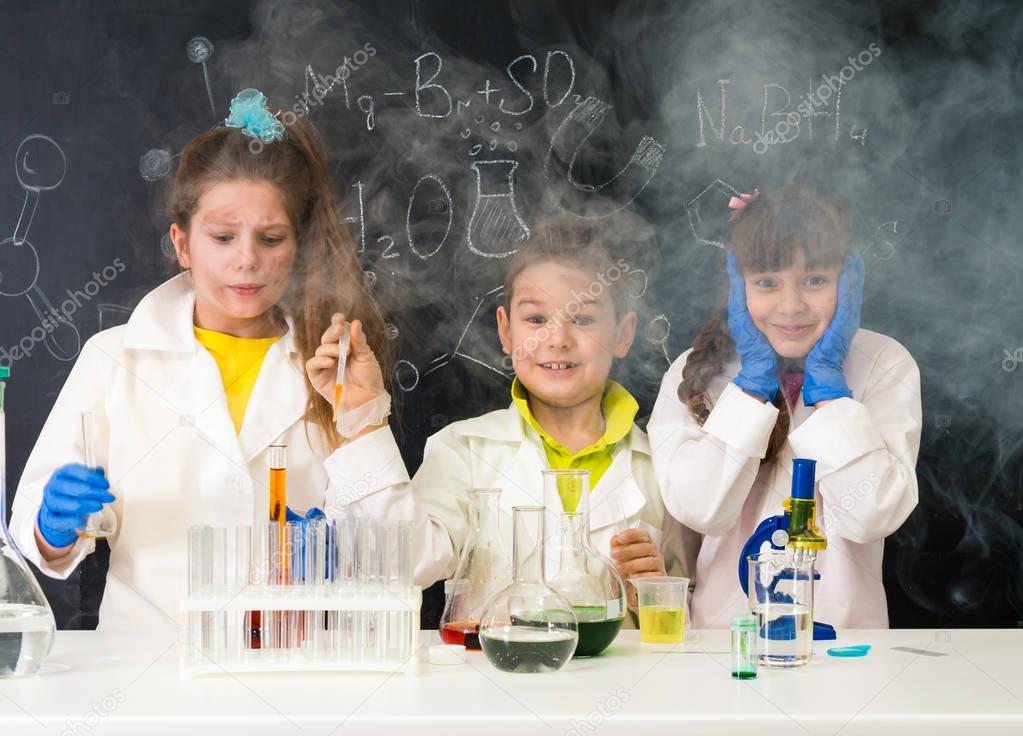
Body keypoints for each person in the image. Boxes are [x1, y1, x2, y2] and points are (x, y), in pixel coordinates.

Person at [9, 89, 409, 630]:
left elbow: (395, 551)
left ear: (297, 248)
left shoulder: (334, 366)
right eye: (222, 236)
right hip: (148, 672)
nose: (247, 259)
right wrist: (51, 528)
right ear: (182, 244)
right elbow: (33, 534)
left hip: (299, 671)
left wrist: (339, 544)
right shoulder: (114, 357)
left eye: (271, 238)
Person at [340, 218, 697, 617]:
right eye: (536, 319)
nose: (557, 338)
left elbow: (685, 623)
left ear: (623, 334)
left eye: (582, 319)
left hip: (623, 680)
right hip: (490, 676)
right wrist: (364, 415)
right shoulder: (465, 450)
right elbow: (408, 562)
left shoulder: (663, 465)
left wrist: (653, 594)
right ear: (505, 331)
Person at [648, 183, 921, 629]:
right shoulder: (694, 371)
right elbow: (700, 509)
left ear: (847, 283)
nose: (792, 306)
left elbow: (873, 515)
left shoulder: (885, 364)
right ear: (737, 286)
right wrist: (752, 383)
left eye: (815, 280)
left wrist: (830, 384)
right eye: (767, 282)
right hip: (724, 647)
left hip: (847, 652)